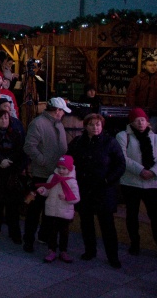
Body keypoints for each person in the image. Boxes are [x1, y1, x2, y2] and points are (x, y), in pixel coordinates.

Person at [67, 113, 125, 269]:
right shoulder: (78, 142)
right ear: (86, 126)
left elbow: (120, 165)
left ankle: (113, 256)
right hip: (84, 189)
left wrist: (108, 180)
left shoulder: (110, 142)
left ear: (102, 126)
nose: (95, 127)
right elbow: (68, 160)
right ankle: (89, 251)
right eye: (92, 124)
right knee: (86, 223)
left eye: (98, 124)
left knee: (107, 225)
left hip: (103, 190)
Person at [22, 97, 71, 253]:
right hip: (41, 174)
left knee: (50, 209)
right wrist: (42, 161)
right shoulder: (38, 123)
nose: (63, 114)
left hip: (56, 174)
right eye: (63, 111)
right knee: (35, 210)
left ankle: (44, 235)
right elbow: (29, 146)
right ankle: (28, 240)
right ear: (57, 111)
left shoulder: (59, 125)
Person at [116, 108, 157, 257]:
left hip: (152, 184)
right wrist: (141, 170)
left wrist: (153, 172)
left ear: (147, 121)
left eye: (143, 119)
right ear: (132, 122)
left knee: (156, 216)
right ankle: (135, 244)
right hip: (131, 182)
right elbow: (123, 157)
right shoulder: (123, 136)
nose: (140, 122)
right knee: (132, 215)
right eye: (137, 120)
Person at [0, 110, 26, 242]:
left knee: (12, 207)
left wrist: (8, 161)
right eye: (1, 119)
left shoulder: (16, 134)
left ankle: (14, 233)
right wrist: (0, 160)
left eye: (6, 118)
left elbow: (20, 151)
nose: (3, 121)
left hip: (10, 174)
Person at [36, 155, 80, 263]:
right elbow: (48, 190)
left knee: (64, 233)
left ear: (69, 169)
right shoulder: (53, 177)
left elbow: (76, 198)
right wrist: (43, 191)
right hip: (52, 211)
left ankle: (63, 251)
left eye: (64, 168)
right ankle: (52, 250)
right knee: (52, 232)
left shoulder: (72, 182)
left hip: (64, 212)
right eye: (59, 167)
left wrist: (66, 198)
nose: (61, 170)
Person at [126, 56, 157, 131]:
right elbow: (130, 95)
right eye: (150, 65)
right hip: (139, 112)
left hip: (154, 113)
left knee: (151, 134)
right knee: (138, 132)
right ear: (145, 66)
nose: (153, 67)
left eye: (154, 65)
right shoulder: (138, 79)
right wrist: (133, 110)